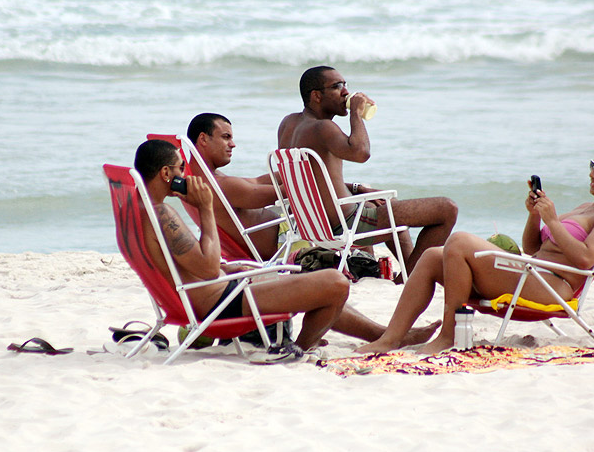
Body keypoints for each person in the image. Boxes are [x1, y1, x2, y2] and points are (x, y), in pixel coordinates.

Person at [134, 139, 440, 350]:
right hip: (219, 304)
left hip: (215, 294)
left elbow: (198, 266)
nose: (184, 175)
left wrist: (233, 266)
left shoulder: (142, 209)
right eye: (178, 170)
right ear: (165, 174)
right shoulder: (162, 213)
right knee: (334, 281)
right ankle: (300, 347)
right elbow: (209, 266)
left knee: (309, 281)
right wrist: (205, 209)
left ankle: (389, 334)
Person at [357, 143, 594, 354]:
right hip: (533, 274)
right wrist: (535, 215)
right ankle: (391, 338)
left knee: (459, 240)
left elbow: (586, 259)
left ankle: (450, 335)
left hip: (552, 285)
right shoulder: (585, 207)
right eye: (593, 165)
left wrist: (552, 220)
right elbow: (532, 246)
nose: (592, 173)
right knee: (433, 256)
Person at [277, 65, 458, 275]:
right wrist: (356, 113)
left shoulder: (288, 124)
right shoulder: (323, 128)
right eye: (337, 87)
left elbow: (308, 180)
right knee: (447, 209)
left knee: (386, 204)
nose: (346, 92)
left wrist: (357, 188)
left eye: (345, 85)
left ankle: (408, 275)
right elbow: (361, 153)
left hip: (314, 224)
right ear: (316, 96)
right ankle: (411, 277)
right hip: (347, 225)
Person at [187, 113, 283, 261]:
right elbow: (281, 193)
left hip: (270, 242)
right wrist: (315, 175)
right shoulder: (219, 186)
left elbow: (256, 182)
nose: (233, 144)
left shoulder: (197, 181)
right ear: (203, 139)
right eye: (226, 137)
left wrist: (290, 173)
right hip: (286, 243)